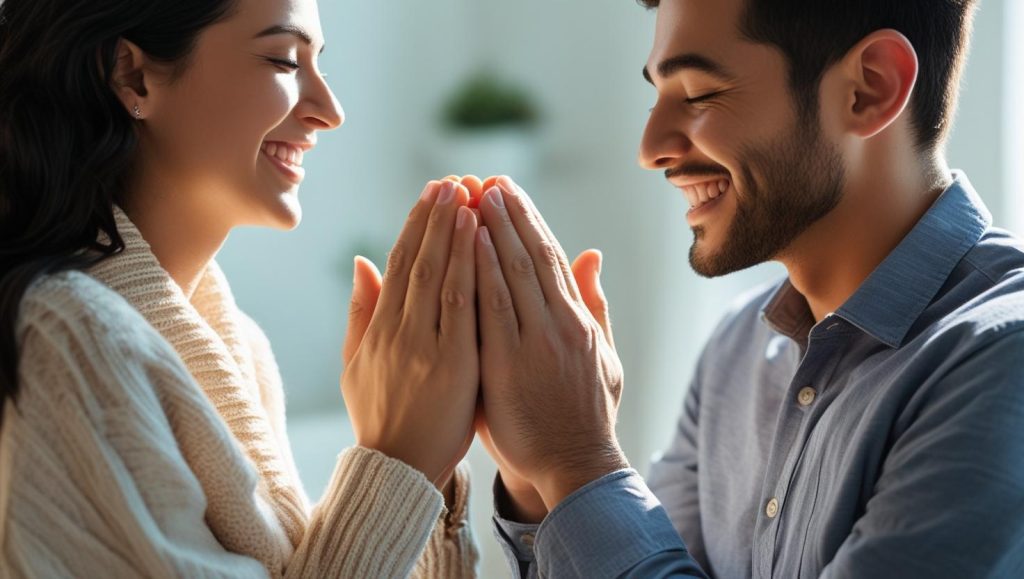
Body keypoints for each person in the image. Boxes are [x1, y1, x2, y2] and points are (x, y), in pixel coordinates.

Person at [447, 0, 1024, 576]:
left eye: (698, 94)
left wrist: (574, 460)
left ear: (870, 88)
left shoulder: (1001, 359)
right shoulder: (735, 352)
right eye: (658, 96)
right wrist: (534, 479)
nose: (651, 149)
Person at [0, 0, 481, 576]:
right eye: (282, 60)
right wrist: (399, 461)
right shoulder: (64, 338)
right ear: (132, 75)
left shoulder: (239, 349)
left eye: (319, 64)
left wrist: (438, 454)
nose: (330, 110)